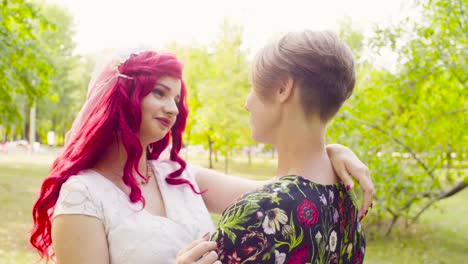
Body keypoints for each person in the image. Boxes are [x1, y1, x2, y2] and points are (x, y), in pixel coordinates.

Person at [30, 49, 372, 264]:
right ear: (123, 97)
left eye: (177, 99)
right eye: (160, 93)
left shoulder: (181, 177)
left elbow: (277, 192)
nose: (172, 108)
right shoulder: (82, 196)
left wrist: (328, 150)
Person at [212, 30, 368, 263]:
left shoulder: (257, 215)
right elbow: (190, 178)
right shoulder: (347, 202)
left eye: (253, 86)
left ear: (283, 88)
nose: (247, 103)